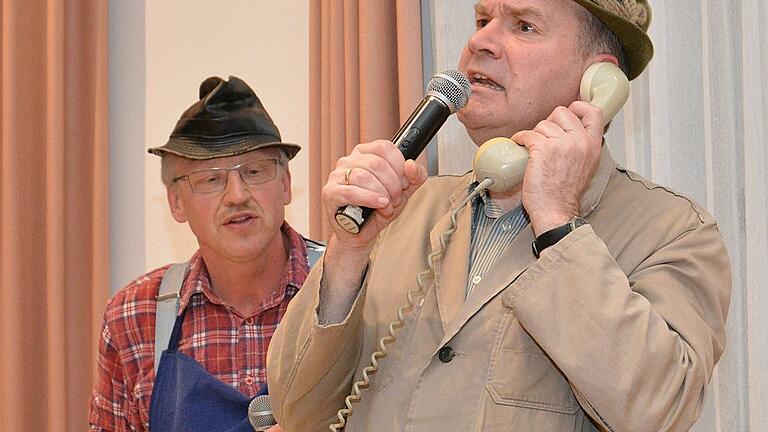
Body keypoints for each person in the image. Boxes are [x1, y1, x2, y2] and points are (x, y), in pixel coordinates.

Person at [267, 1, 731, 431]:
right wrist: (349, 252)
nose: (480, 42)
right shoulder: (405, 211)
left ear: (597, 84)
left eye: (523, 26)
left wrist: (557, 221)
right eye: (482, 19)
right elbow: (297, 409)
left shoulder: (675, 232)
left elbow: (660, 410)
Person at [89, 76, 321, 431]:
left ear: (286, 185)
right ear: (176, 203)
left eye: (255, 171)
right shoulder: (135, 315)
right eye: (212, 180)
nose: (237, 195)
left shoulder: (348, 285)